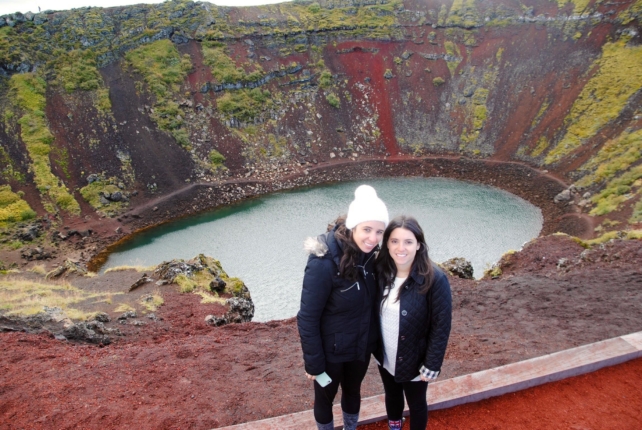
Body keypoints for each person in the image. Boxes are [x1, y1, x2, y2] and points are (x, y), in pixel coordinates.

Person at [297, 185, 389, 430]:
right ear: (353, 225)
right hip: (331, 352)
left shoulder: (373, 257)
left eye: (379, 231)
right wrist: (314, 362)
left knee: (353, 391)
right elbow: (307, 317)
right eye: (367, 229)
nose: (373, 238)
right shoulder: (324, 261)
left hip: (360, 347)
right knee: (325, 399)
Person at [375, 215, 452, 430]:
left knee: (416, 403)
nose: (401, 248)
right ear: (387, 244)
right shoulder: (381, 271)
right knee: (392, 395)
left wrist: (432, 364)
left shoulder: (435, 279)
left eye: (408, 242)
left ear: (418, 244)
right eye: (394, 241)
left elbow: (441, 325)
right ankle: (395, 426)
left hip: (415, 360)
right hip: (386, 355)